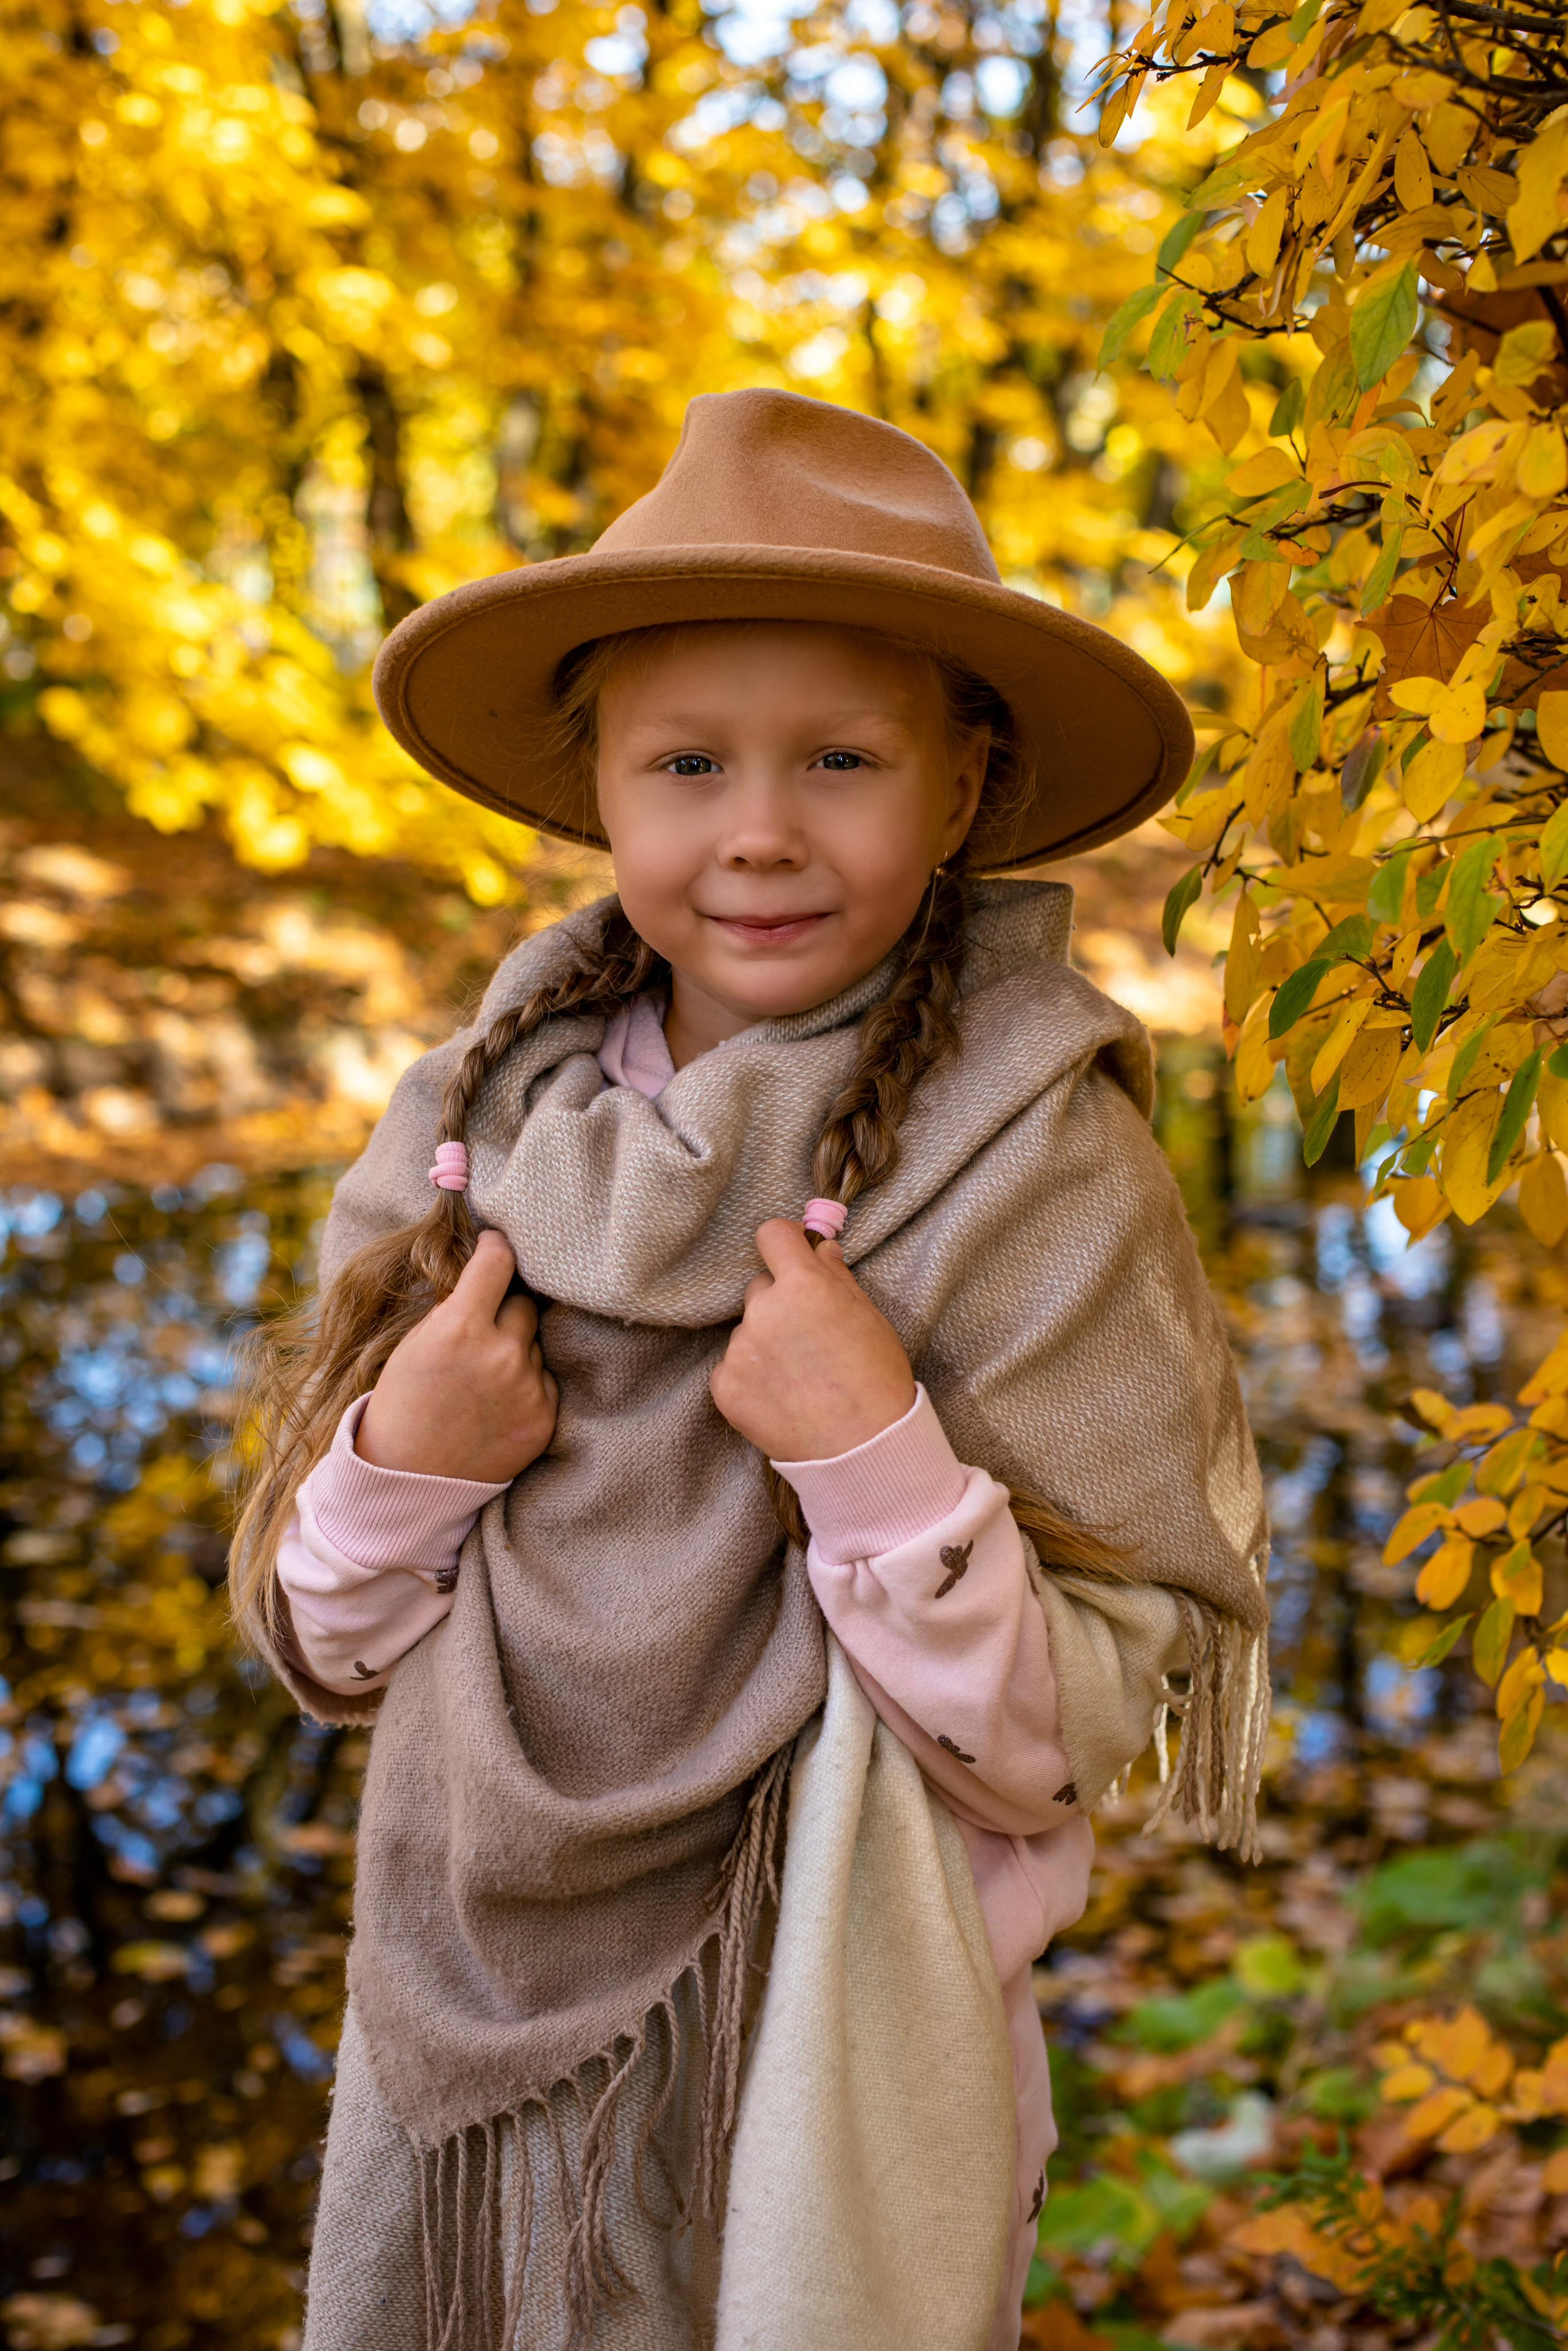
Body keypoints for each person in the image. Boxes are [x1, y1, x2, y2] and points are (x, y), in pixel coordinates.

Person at [231, 388, 1268, 2351]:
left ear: (963, 788)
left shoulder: (1036, 1160)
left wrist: (876, 1458)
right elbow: (326, 1639)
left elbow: (1062, 1731)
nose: (761, 831)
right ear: (600, 792)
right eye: (688, 762)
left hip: (826, 2050)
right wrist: (408, 1461)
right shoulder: (475, 1122)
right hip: (468, 2042)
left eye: (844, 759)